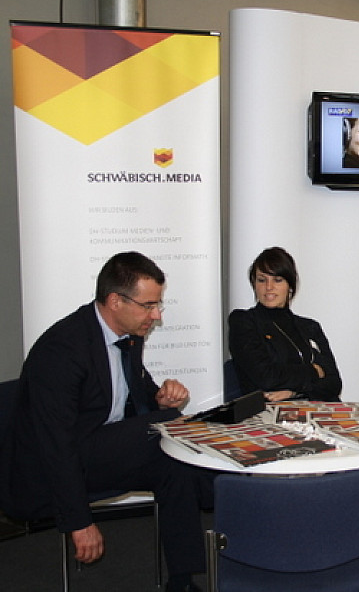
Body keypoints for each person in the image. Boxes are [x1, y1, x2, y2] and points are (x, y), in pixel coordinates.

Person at [0, 251, 212, 592]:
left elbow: (134, 392)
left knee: (173, 464)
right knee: (171, 427)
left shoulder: (130, 334)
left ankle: (183, 580)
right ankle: (221, 492)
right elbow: (55, 445)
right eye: (148, 305)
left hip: (97, 449)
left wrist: (159, 400)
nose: (156, 315)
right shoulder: (62, 350)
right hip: (49, 468)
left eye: (157, 305)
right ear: (115, 301)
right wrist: (79, 521)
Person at [228, 247, 342, 402]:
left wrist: (294, 392)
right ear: (254, 284)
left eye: (277, 280)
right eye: (262, 280)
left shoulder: (310, 327)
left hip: (317, 409)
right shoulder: (243, 322)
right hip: (269, 412)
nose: (269, 287)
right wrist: (315, 370)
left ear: (290, 285)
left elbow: (334, 383)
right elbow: (267, 378)